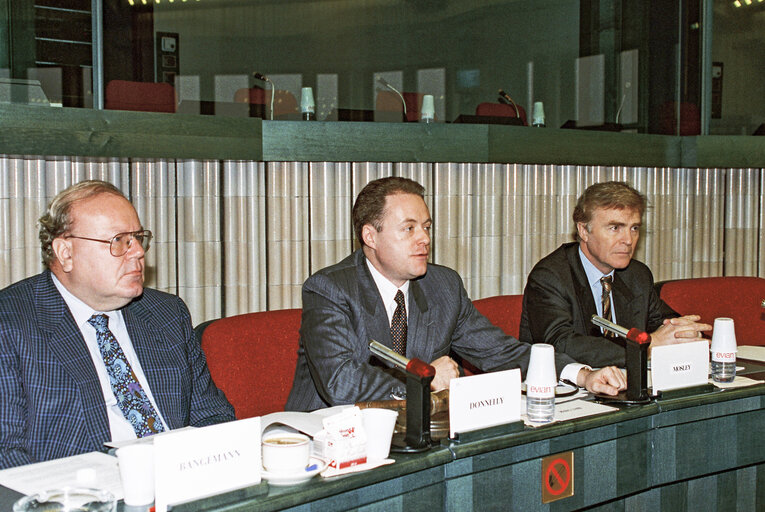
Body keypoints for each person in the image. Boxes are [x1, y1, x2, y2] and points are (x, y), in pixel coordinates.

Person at [286, 177, 626, 412]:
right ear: (370, 236)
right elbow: (341, 383)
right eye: (409, 229)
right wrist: (426, 381)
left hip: (416, 434)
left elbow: (501, 352)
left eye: (427, 227)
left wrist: (581, 374)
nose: (424, 239)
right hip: (329, 439)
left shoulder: (442, 286)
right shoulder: (330, 289)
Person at [0, 180, 235, 469]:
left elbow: (213, 417)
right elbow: (6, 453)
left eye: (138, 238)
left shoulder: (165, 313)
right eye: (119, 240)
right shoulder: (10, 323)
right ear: (66, 252)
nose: (137, 251)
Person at [519, 181, 711, 367]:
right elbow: (560, 344)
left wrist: (685, 332)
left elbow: (663, 323)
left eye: (634, 228)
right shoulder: (551, 277)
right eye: (615, 228)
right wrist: (646, 346)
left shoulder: (637, 275)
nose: (628, 240)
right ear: (584, 230)